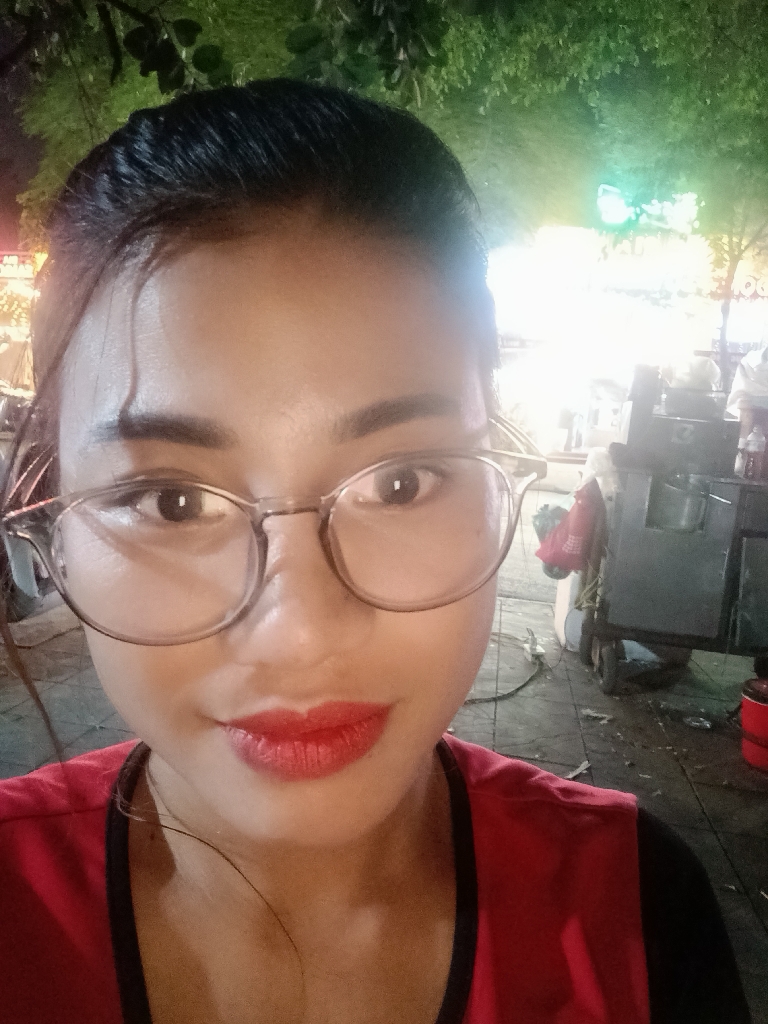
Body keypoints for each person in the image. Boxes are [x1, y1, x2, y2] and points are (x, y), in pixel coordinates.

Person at [0, 81, 750, 1024]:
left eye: (400, 483)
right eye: (172, 501)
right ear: (51, 521)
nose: (301, 634)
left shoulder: (634, 910)